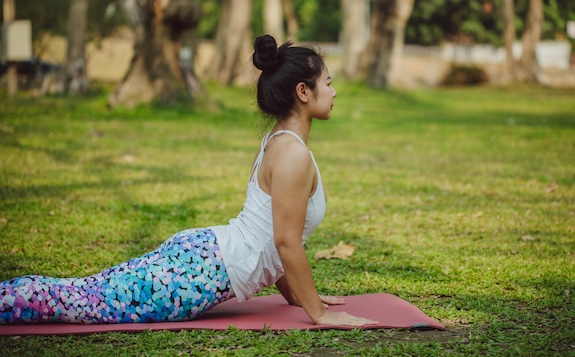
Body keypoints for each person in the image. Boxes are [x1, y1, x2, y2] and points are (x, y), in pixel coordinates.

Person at [0, 35, 378, 328]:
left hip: (200, 257)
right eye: (327, 82)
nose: (333, 91)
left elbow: (271, 236)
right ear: (303, 91)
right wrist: (317, 313)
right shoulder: (293, 154)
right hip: (197, 274)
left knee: (81, 293)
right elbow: (284, 241)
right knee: (74, 301)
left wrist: (297, 296)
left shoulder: (280, 142)